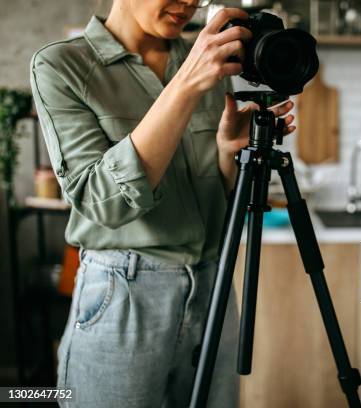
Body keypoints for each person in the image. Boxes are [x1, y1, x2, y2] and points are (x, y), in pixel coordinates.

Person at [29, 0, 295, 406]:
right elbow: (106, 204)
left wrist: (227, 153)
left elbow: (214, 201)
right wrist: (186, 85)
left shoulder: (206, 58)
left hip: (213, 288)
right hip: (125, 297)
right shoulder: (61, 66)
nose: (189, 2)